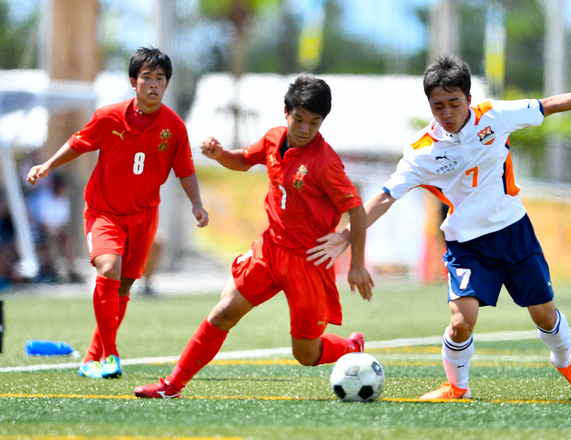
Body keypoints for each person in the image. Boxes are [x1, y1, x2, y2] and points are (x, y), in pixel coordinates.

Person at [307, 55, 571, 401]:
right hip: (466, 244)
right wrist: (348, 235)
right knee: (461, 321)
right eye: (438, 106)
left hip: (514, 230)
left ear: (468, 100)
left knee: (544, 315)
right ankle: (457, 386)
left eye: (454, 103)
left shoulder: (495, 116)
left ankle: (565, 362)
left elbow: (547, 106)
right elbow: (384, 198)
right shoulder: (420, 152)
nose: (447, 113)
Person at [134, 73, 374, 399]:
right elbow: (244, 160)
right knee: (223, 312)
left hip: (308, 262)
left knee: (305, 354)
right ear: (286, 112)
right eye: (299, 120)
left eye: (314, 123)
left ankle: (350, 346)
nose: (305, 129)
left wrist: (357, 264)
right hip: (271, 249)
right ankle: (171, 385)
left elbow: (357, 211)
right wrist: (220, 155)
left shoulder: (326, 163)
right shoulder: (274, 139)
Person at [26, 47, 209, 379]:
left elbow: (185, 170)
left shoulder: (175, 127)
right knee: (108, 268)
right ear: (133, 82)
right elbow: (78, 142)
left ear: (167, 85)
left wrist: (196, 203)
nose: (154, 85)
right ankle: (111, 354)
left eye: (160, 79)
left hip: (144, 217)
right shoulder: (109, 116)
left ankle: (92, 358)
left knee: (123, 288)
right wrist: (47, 165)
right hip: (104, 212)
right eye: (147, 78)